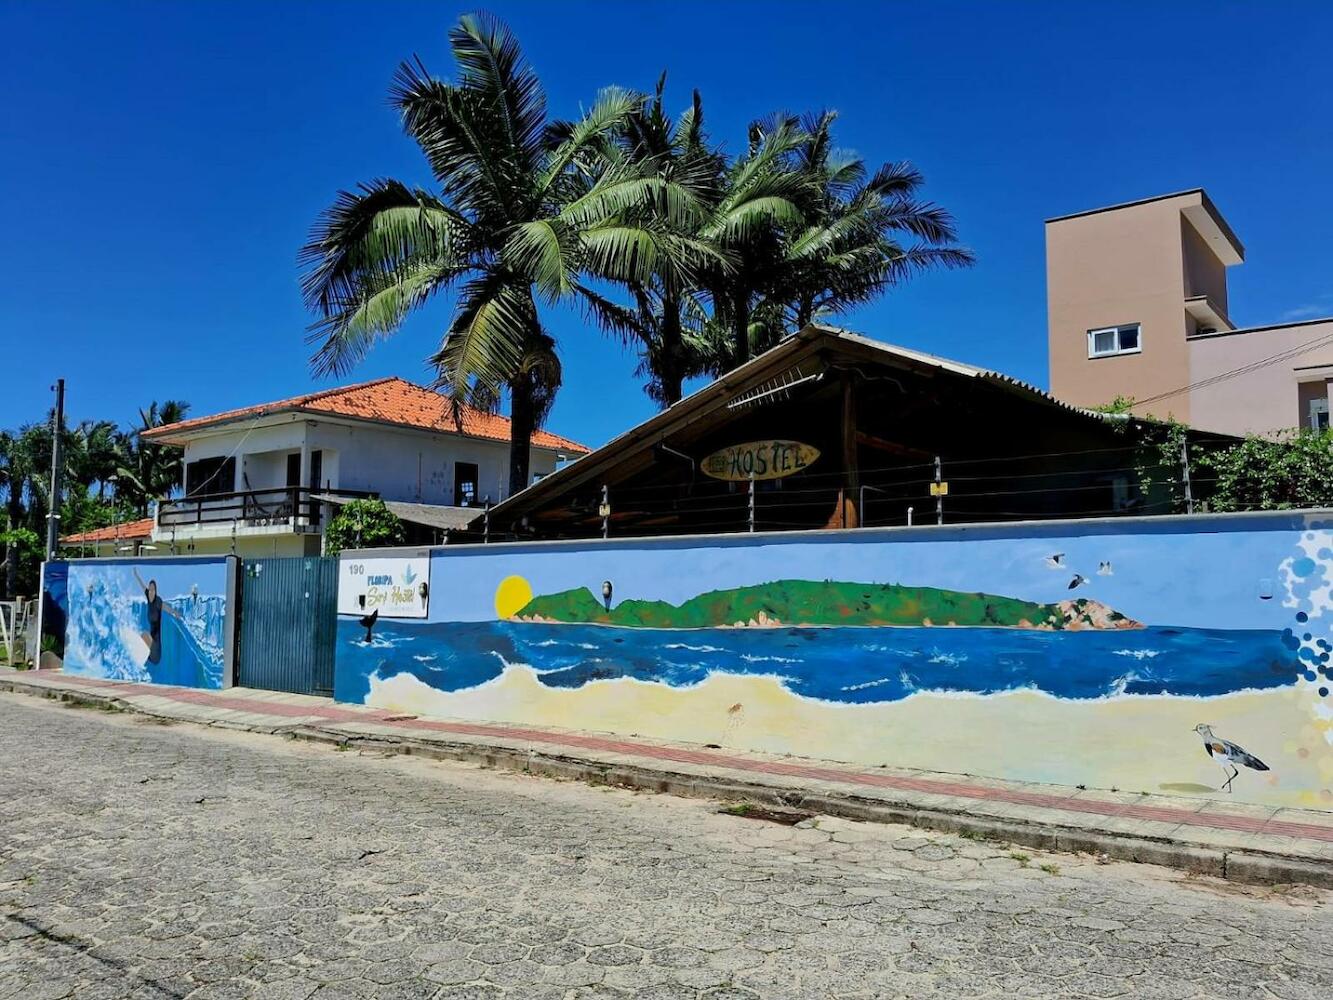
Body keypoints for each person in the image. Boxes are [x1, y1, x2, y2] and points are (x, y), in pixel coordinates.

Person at [132, 568, 182, 666]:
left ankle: (141, 657)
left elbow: (166, 608)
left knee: (144, 635)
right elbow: (142, 586)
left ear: (155, 591)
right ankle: (139, 659)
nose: (151, 591)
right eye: (150, 589)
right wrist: (136, 575)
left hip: (156, 650)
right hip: (150, 649)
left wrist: (174, 612)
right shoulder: (148, 597)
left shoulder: (158, 601)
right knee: (143, 635)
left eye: (153, 589)